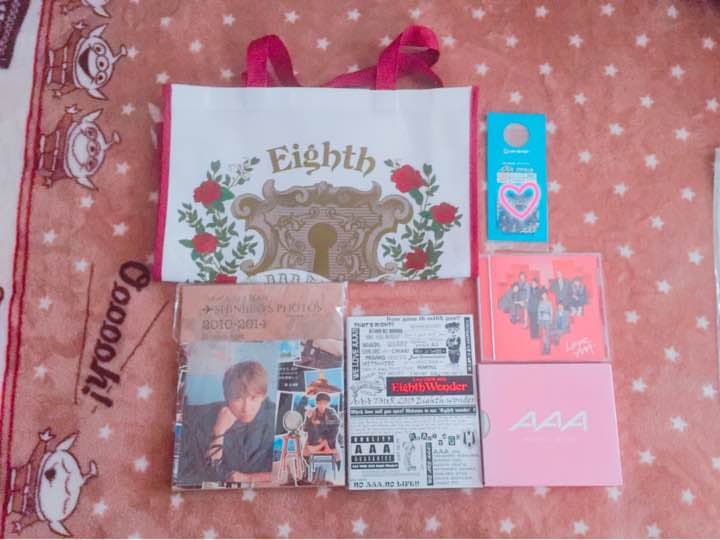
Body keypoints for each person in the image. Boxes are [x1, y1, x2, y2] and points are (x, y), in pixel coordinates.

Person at [178, 361, 275, 485]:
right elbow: (208, 474)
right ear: (226, 397)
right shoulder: (203, 421)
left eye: (253, 398)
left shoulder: (275, 416)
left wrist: (248, 478)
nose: (246, 408)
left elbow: (286, 473)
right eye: (237, 398)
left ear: (263, 397)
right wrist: (219, 431)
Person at [303, 393, 341, 458]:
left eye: (325, 403)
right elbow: (305, 429)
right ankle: (321, 445)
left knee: (335, 427)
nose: (322, 406)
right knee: (313, 427)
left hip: (328, 439)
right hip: (315, 440)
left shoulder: (330, 411)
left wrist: (322, 422)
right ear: (316, 403)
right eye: (320, 403)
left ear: (328, 404)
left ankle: (325, 444)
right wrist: (308, 418)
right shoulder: (312, 412)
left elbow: (337, 422)